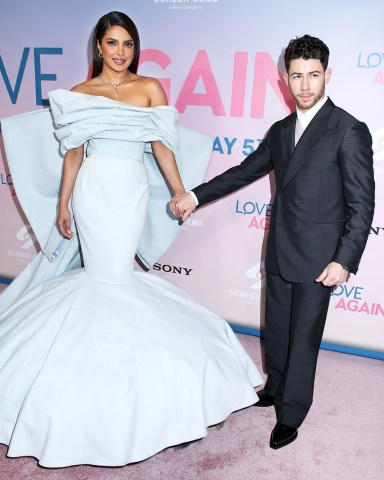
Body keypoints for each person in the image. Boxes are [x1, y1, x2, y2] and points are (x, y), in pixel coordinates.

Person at [0, 12, 263, 467]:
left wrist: (181, 191)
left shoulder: (150, 89)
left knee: (118, 277)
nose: (121, 51)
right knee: (99, 279)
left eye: (127, 44)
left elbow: (162, 146)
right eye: (112, 43)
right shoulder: (80, 95)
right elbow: (74, 154)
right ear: (98, 47)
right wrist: (63, 205)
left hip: (130, 191)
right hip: (91, 192)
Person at [173, 34, 375, 450]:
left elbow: (362, 204)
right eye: (297, 76)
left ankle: (293, 411)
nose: (304, 85)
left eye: (313, 76)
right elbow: (245, 171)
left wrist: (345, 259)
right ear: (285, 78)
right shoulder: (281, 130)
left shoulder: (349, 130)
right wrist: (195, 195)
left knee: (304, 337)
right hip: (280, 249)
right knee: (278, 328)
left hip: (320, 258)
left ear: (327, 75)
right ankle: (275, 386)